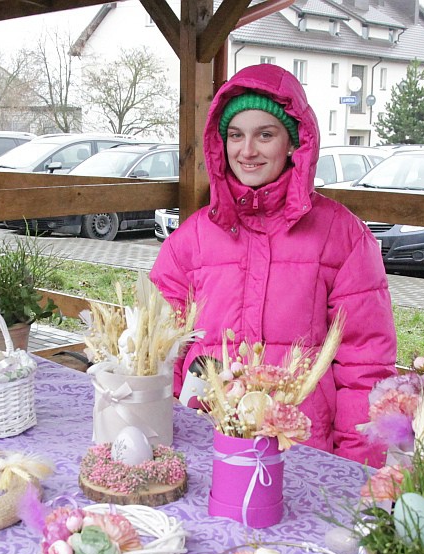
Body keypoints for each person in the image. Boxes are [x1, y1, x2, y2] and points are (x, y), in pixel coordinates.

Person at [149, 63, 396, 464]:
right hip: (204, 441)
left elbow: (364, 365)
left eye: (265, 134)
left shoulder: (343, 236)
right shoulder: (191, 239)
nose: (247, 151)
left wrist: (355, 468)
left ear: (294, 142)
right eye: (235, 135)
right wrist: (164, 429)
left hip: (302, 451)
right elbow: (160, 350)